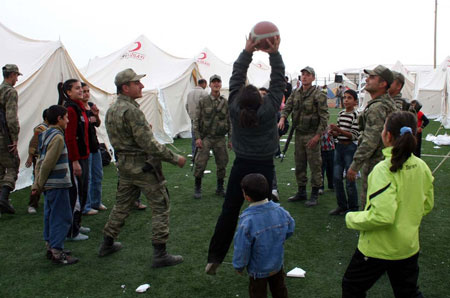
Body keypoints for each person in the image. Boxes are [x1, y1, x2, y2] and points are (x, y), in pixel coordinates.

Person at [205, 35, 285, 275]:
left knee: (229, 211)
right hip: (264, 168)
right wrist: (274, 53)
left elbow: (236, 76)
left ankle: (215, 258)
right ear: (261, 99)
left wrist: (247, 51)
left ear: (239, 100)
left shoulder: (234, 108)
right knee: (267, 215)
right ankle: (268, 261)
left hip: (241, 167)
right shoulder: (270, 109)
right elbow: (278, 79)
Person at [98, 68, 187, 269]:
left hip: (125, 166)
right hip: (143, 167)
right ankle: (160, 254)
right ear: (125, 87)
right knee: (160, 206)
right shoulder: (132, 111)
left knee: (121, 205)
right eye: (137, 83)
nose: (142, 86)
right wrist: (174, 158)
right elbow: (149, 144)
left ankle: (107, 243)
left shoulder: (112, 109)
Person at [342, 111, 434, 297]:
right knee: (408, 292)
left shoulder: (384, 170)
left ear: (388, 135)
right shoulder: (421, 166)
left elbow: (382, 216)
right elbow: (427, 205)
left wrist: (351, 218)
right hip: (408, 246)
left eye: (383, 128)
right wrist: (406, 220)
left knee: (352, 287)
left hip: (378, 248)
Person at [233, 173, 294, 298]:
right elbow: (290, 228)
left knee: (257, 293)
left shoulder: (247, 221)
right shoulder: (281, 211)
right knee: (280, 291)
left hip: (257, 270)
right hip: (277, 265)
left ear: (247, 197)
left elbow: (242, 247)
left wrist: (239, 266)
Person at [32, 105, 79, 265]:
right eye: (66, 117)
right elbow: (48, 163)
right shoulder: (58, 137)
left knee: (50, 215)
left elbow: (39, 161)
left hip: (49, 185)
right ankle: (57, 251)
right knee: (62, 216)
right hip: (57, 183)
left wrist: (37, 183)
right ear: (59, 119)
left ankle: (50, 245)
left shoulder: (45, 134)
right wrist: (39, 184)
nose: (68, 121)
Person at [347, 65, 397, 208]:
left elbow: (371, 139)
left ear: (383, 84)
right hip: (385, 161)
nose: (367, 80)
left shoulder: (378, 107)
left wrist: (355, 165)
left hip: (376, 162)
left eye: (372, 77)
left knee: (370, 203)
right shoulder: (386, 104)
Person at [279, 66, 329, 206]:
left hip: (312, 134)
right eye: (303, 74)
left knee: (315, 165)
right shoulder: (295, 93)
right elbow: (287, 107)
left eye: (308, 75)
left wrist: (318, 136)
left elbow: (324, 117)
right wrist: (283, 118)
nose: (304, 77)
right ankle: (301, 191)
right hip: (299, 134)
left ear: (313, 77)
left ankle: (314, 194)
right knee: (300, 164)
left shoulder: (318, 95)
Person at [58, 79, 91, 241]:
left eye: (81, 88)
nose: (81, 91)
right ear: (69, 92)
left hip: (84, 156)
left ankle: (77, 223)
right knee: (76, 194)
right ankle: (71, 231)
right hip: (76, 159)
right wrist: (75, 161)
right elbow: (70, 137)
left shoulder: (80, 108)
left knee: (83, 191)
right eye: (77, 88)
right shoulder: (71, 109)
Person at [193, 75, 231, 199]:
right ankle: (198, 187)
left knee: (222, 163)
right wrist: (197, 138)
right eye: (213, 82)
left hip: (220, 138)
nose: (216, 84)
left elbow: (230, 121)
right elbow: (196, 120)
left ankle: (220, 188)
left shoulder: (225, 102)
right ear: (209, 85)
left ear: (221, 84)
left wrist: (230, 139)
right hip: (206, 138)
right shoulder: (203, 101)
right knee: (200, 163)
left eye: (218, 82)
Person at [329, 89, 360, 215]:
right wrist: (334, 133)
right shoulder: (341, 113)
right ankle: (342, 205)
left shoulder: (356, 115)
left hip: (350, 148)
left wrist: (339, 131)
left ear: (355, 101)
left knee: (350, 179)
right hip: (339, 147)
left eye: (349, 98)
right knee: (336, 178)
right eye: (345, 98)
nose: (346, 100)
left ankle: (353, 207)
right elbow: (339, 133)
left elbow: (353, 135)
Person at [80, 82, 107, 215]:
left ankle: (96, 202)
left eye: (87, 91)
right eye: (84, 91)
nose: (86, 94)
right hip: (85, 147)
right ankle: (86, 205)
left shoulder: (90, 106)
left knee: (98, 175)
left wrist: (96, 115)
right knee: (87, 177)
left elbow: (97, 124)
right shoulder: (78, 108)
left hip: (94, 145)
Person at [0, 64, 22, 215]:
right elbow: (11, 117)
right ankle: (4, 198)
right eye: (16, 76)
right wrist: (14, 138)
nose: (16, 79)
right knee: (13, 164)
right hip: (4, 135)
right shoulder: (10, 91)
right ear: (12, 74)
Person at [25, 109, 49, 214]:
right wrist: (30, 157)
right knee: (38, 181)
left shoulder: (51, 128)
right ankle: (32, 204)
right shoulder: (41, 129)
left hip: (48, 158)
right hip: (40, 159)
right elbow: (33, 143)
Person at [186, 79, 208, 156]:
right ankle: (202, 153)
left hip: (193, 117)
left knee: (194, 136)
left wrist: (190, 115)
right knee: (203, 136)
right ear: (204, 83)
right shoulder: (204, 93)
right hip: (202, 119)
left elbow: (186, 106)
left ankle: (194, 152)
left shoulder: (189, 93)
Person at [319, 129, 335, 195]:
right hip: (321, 150)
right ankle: (320, 187)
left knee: (331, 169)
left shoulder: (329, 127)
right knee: (321, 170)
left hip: (330, 149)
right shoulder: (318, 127)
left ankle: (331, 185)